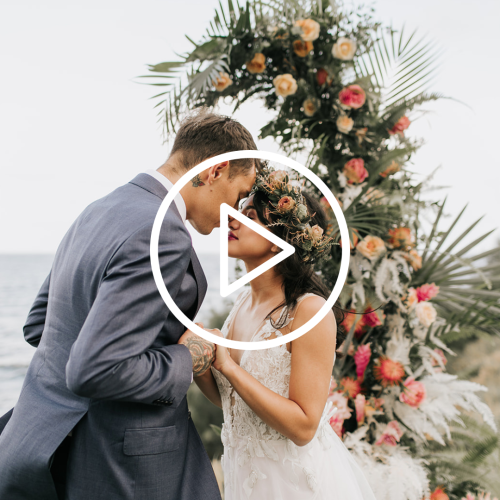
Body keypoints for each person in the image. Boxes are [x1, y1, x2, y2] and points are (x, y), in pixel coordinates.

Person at [0, 110, 259, 500]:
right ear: (215, 171)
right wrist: (186, 358)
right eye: (239, 196)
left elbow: (40, 325)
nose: (233, 214)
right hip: (124, 468)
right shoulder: (164, 235)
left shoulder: (98, 209)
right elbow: (95, 368)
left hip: (43, 443)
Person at [192, 166, 378, 499]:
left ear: (281, 243)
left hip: (293, 485)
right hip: (245, 480)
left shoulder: (309, 311)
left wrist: (230, 366)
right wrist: (201, 361)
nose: (232, 221)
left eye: (250, 216)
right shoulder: (242, 304)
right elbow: (232, 403)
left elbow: (304, 426)